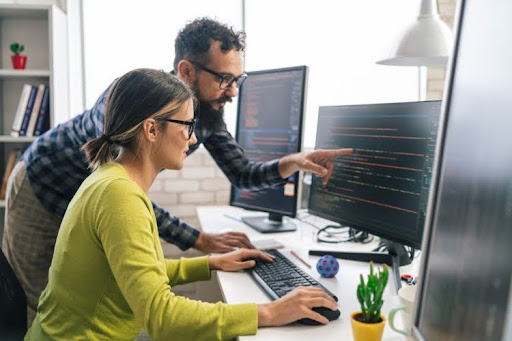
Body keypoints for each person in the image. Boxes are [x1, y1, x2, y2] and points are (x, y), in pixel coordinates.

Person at [2, 17, 351, 326]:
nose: (232, 91)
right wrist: (264, 308)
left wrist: (293, 162)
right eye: (224, 78)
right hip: (41, 187)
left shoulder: (202, 115)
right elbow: (127, 207)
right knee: (45, 305)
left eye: (238, 79)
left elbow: (242, 173)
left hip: (93, 202)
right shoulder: (131, 103)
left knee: (87, 295)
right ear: (186, 71)